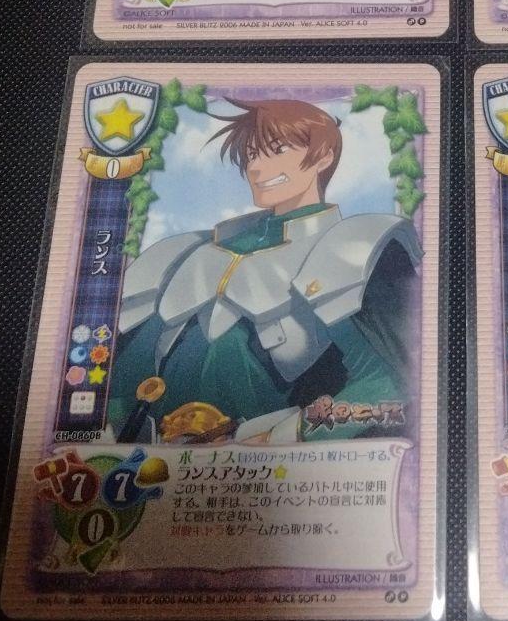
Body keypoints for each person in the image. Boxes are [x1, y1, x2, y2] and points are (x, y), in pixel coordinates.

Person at [107, 97, 421, 444]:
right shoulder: (186, 250)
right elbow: (125, 368)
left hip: (271, 458)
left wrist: (284, 436)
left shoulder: (352, 248)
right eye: (252, 154)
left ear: (323, 156)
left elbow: (391, 383)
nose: (256, 168)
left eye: (276, 150)